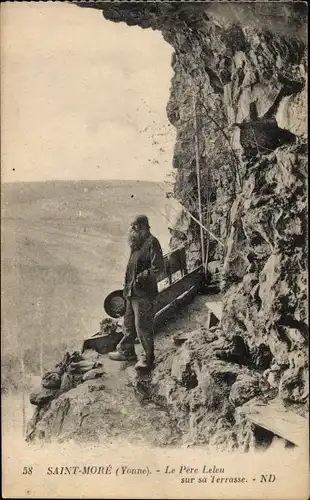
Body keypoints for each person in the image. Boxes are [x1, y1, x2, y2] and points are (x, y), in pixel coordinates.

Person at [109, 215, 165, 372]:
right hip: (131, 292)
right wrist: (127, 287)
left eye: (135, 227)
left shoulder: (152, 243)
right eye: (131, 227)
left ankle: (148, 359)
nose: (132, 231)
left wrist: (141, 278)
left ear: (144, 228)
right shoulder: (136, 244)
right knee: (128, 324)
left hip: (143, 294)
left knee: (143, 327)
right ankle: (127, 352)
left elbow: (158, 268)